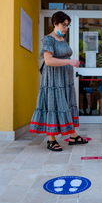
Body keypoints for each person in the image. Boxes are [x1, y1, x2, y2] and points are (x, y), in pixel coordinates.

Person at [30, 11, 88, 151]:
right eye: (63, 25)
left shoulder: (62, 39)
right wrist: (69, 61)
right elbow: (48, 61)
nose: (66, 28)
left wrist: (70, 63)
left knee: (66, 103)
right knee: (54, 105)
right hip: (54, 80)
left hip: (65, 79)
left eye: (67, 25)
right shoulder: (49, 39)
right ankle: (51, 140)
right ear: (55, 24)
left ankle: (73, 136)